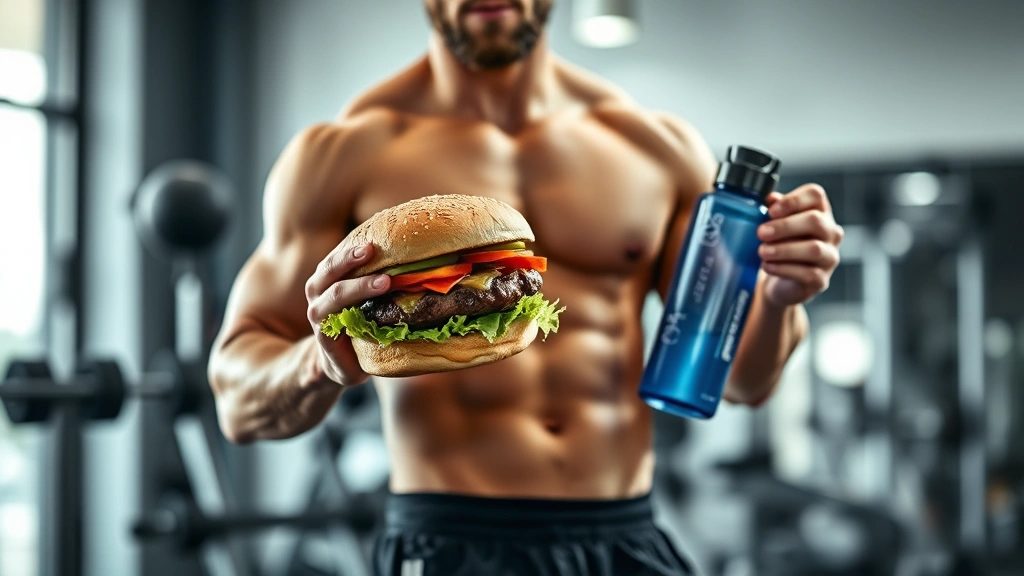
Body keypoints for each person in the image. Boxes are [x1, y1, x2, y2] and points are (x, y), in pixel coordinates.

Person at [208, 0, 844, 574]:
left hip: (624, 536)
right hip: (452, 543)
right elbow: (236, 402)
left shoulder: (655, 147)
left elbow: (743, 383)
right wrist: (317, 364)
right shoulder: (342, 153)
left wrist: (779, 296)